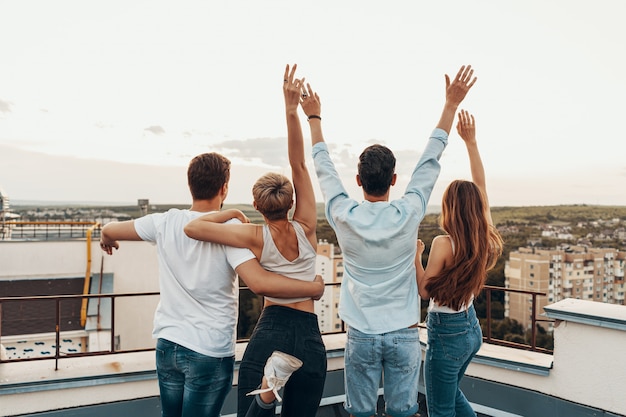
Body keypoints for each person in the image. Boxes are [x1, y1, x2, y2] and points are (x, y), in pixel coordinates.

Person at [303, 65, 477, 417]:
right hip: (403, 333)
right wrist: (450, 105)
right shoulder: (408, 212)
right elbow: (430, 160)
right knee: (403, 412)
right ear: (395, 179)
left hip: (362, 335)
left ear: (358, 179)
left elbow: (323, 168)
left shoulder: (342, 214)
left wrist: (314, 117)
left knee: (362, 413)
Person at [99, 150, 325, 417]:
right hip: (208, 349)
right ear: (224, 187)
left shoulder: (163, 222)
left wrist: (106, 239)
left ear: (190, 184)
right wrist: (314, 288)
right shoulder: (229, 233)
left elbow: (110, 229)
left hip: (168, 343)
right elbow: (260, 281)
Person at [184, 64, 326, 417]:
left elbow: (193, 229)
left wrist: (229, 212)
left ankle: (266, 394)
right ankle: (269, 388)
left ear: (257, 204)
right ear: (291, 202)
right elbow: (300, 165)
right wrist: (294, 111)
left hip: (272, 328)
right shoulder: (306, 225)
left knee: (251, 411)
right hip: (309, 334)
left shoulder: (254, 236)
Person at [415, 110, 504, 417]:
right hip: (470, 329)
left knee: (440, 409)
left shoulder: (443, 243)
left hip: (446, 333)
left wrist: (415, 255)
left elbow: (425, 291)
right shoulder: (484, 239)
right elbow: (481, 186)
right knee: (451, 397)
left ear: (449, 208)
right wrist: (471, 142)